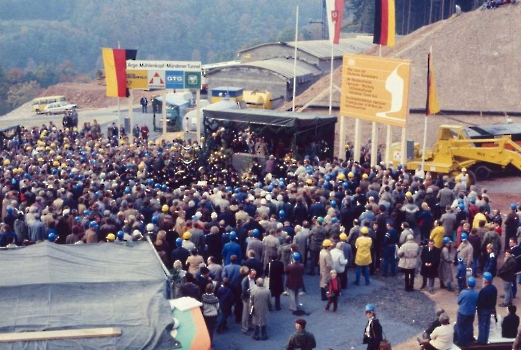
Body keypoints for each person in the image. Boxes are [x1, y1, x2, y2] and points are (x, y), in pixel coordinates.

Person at [456, 277, 478, 348]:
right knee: (469, 326)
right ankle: (468, 342)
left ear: (467, 284)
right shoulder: (476, 293)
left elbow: (458, 302)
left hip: (462, 312)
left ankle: (460, 342)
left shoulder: (463, 292)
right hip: (471, 313)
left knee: (460, 327)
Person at [476, 272, 497, 344]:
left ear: (485, 280)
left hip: (483, 310)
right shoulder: (494, 288)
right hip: (490, 309)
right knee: (487, 325)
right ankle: (485, 339)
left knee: (482, 325)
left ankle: (481, 341)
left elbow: (480, 302)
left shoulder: (484, 290)